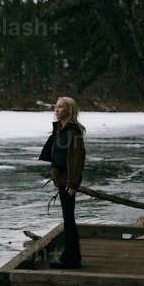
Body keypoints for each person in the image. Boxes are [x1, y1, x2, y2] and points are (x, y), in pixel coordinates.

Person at [39, 96, 86, 269]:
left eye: (60, 107)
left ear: (69, 110)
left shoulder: (73, 131)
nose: (56, 110)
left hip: (67, 182)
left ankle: (70, 259)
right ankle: (73, 257)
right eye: (56, 107)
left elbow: (77, 157)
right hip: (63, 180)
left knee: (69, 219)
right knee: (68, 219)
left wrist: (73, 182)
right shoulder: (61, 129)